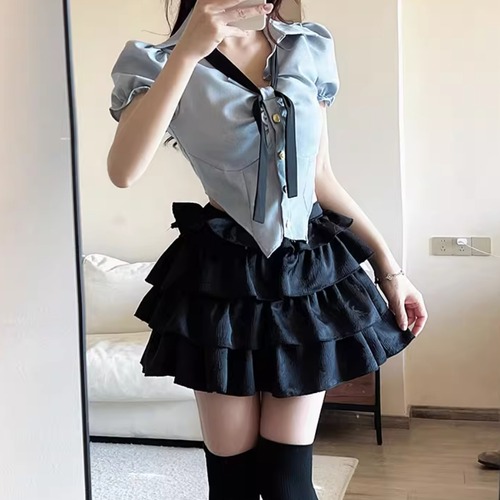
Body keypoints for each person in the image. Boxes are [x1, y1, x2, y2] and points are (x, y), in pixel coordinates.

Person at [107, 1, 428, 498]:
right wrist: (187, 53)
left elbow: (321, 178)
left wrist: (391, 270)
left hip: (306, 274)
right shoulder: (155, 61)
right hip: (222, 278)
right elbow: (123, 171)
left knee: (288, 483)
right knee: (232, 484)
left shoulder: (306, 47)